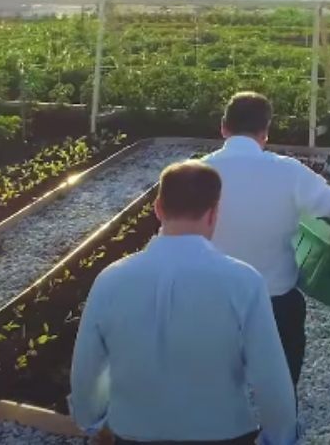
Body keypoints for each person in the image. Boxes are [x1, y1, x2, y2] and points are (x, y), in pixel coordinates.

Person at [70, 161, 298, 445]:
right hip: (223, 432)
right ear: (214, 213)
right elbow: (270, 376)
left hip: (132, 431)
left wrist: (91, 421)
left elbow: (87, 368)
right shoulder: (244, 281)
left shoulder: (111, 279)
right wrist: (280, 437)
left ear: (158, 208)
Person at [200, 91, 330, 392]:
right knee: (282, 377)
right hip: (274, 301)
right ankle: (281, 410)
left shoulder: (198, 173)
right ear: (265, 132)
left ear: (224, 127)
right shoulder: (287, 171)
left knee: (215, 381)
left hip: (213, 302)